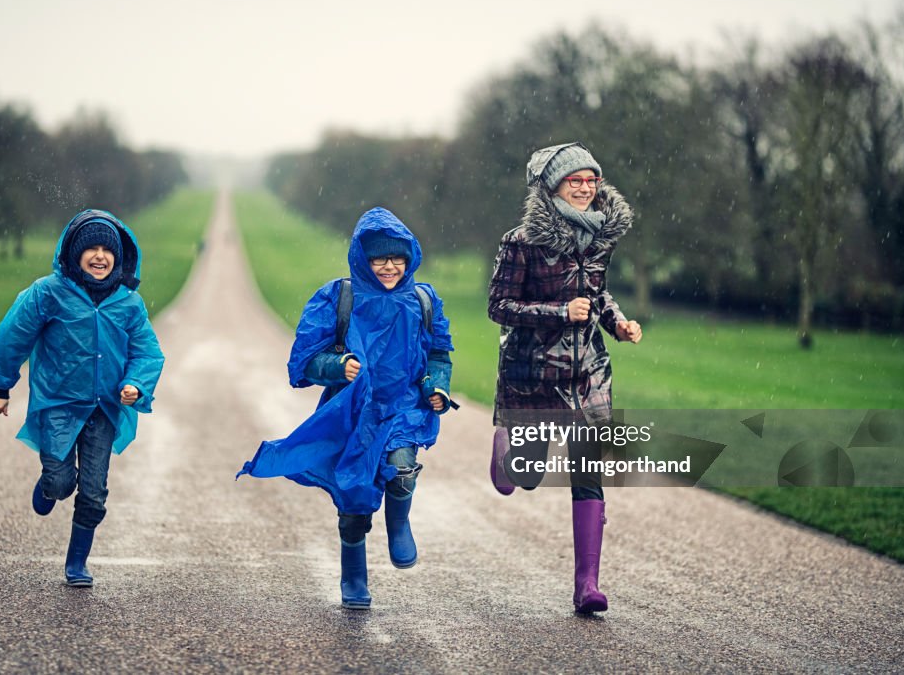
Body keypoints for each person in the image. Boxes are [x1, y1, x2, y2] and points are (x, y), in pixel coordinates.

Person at [238, 206, 453, 610]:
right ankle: (353, 576)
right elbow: (304, 362)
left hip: (404, 407)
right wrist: (337, 366)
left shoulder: (424, 300)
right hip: (353, 414)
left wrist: (436, 386)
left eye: (397, 258)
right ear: (362, 259)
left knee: (403, 468)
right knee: (354, 498)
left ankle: (399, 523)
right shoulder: (338, 298)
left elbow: (439, 354)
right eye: (379, 259)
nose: (389, 267)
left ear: (410, 258)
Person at [487, 142, 642, 614]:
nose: (585, 186)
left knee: (589, 469)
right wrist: (558, 311)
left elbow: (596, 293)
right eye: (575, 179)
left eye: (591, 179)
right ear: (552, 186)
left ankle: (586, 586)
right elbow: (499, 307)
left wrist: (616, 322)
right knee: (527, 475)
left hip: (588, 371)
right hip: (534, 370)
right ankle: (507, 454)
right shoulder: (521, 241)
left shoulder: (601, 237)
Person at [0, 210, 165, 587]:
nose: (99, 256)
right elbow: (14, 334)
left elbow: (148, 352)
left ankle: (77, 563)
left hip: (103, 409)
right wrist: (1, 386)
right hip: (59, 406)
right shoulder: (48, 293)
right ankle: (51, 483)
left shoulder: (129, 303)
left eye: (107, 250)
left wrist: (136, 383)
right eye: (91, 249)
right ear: (74, 253)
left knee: (94, 492)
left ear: (118, 257)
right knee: (62, 482)